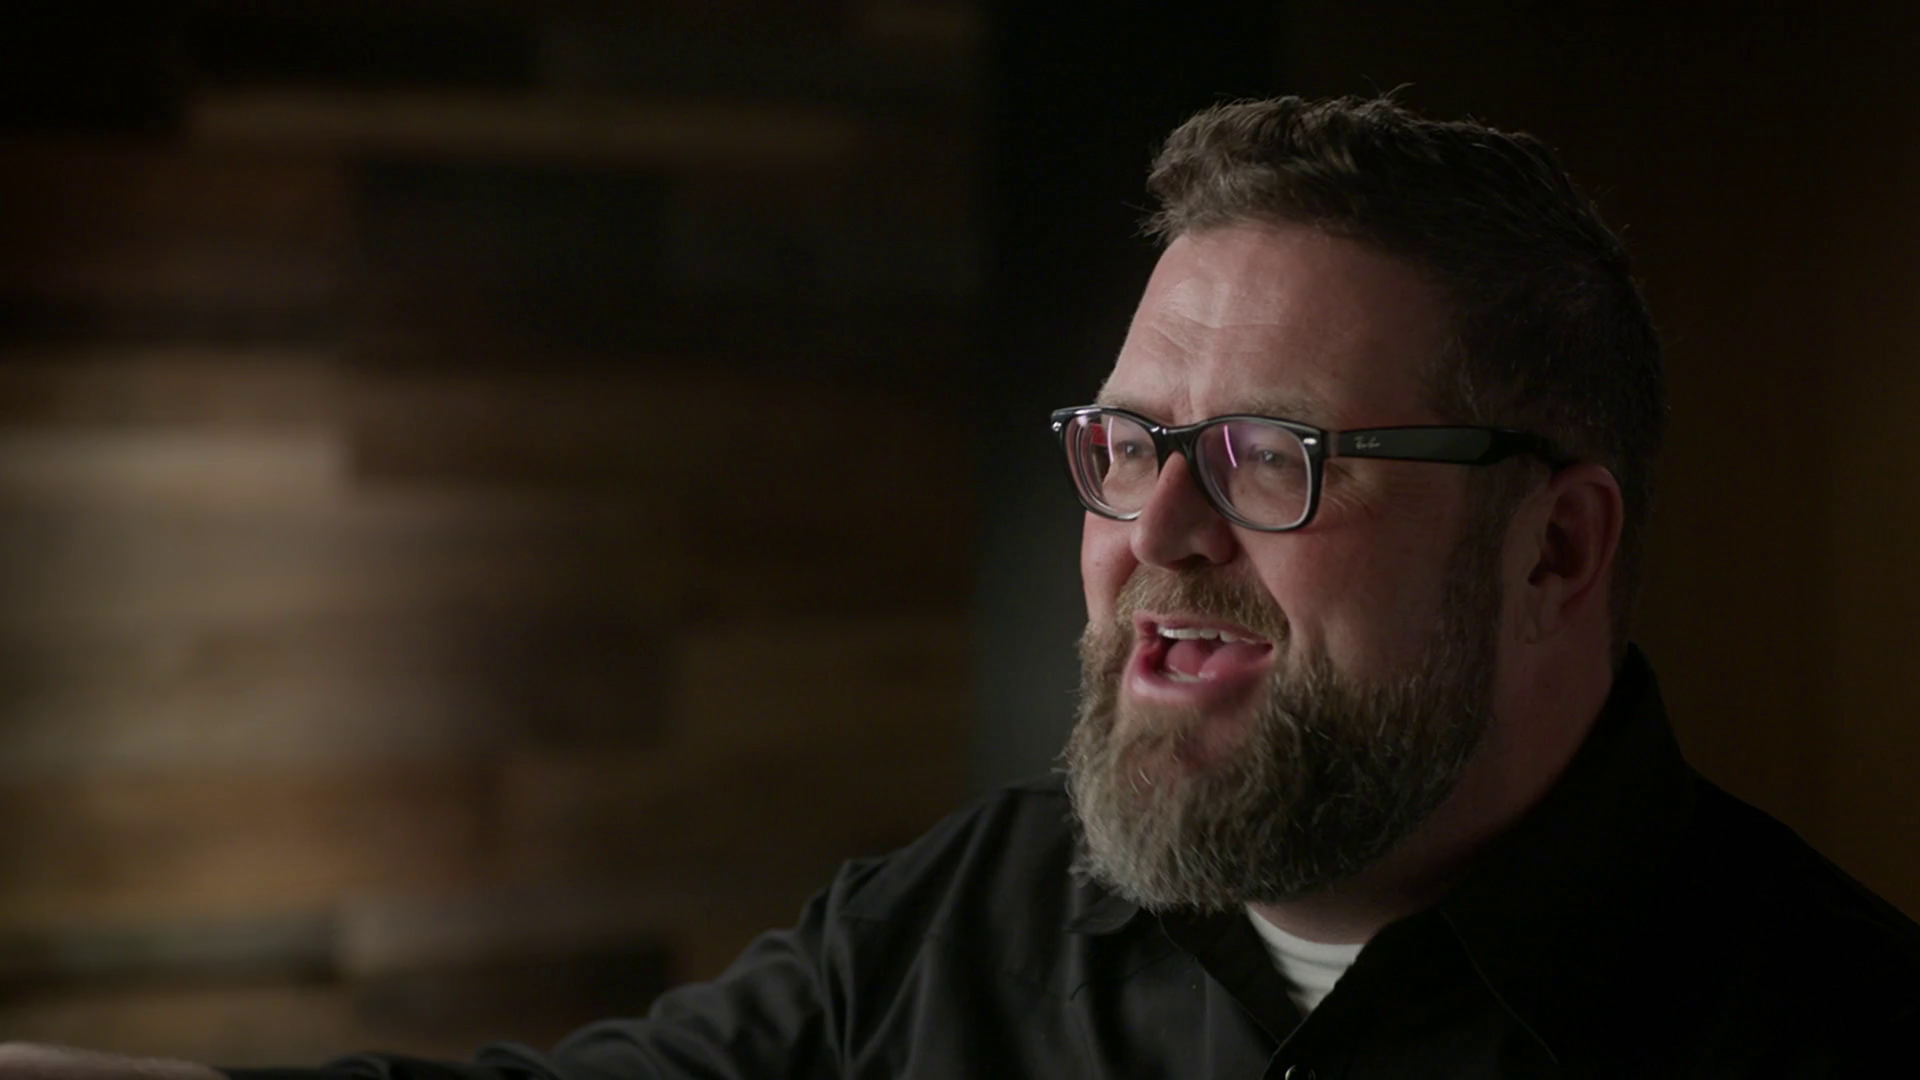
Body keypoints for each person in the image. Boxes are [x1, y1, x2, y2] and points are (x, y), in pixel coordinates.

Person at [5, 94, 1918, 1079]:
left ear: (1555, 547)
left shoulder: (1835, 1033)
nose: (1159, 530)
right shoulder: (964, 924)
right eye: (1129, 441)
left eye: (1272, 455)